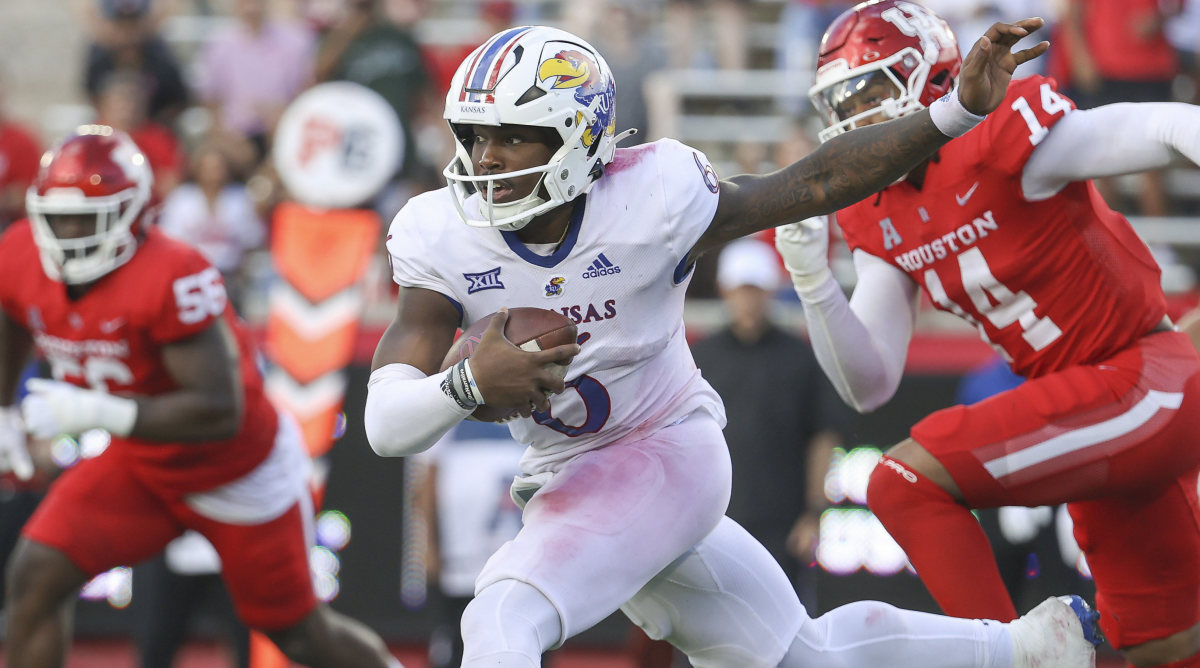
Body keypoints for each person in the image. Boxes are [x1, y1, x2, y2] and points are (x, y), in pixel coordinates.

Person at [363, 22, 1101, 668]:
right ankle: (1030, 649)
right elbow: (384, 424)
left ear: (575, 135)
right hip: (567, 466)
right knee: (801, 654)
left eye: (510, 135)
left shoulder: (651, 194)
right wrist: (462, 388)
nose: (485, 158)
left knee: (500, 616)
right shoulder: (441, 234)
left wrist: (956, 110)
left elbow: (813, 182)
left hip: (661, 447)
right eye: (474, 135)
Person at [773, 1, 1200, 666]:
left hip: (1142, 380)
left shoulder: (1001, 137)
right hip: (1089, 417)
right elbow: (870, 385)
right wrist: (812, 281)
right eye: (839, 103)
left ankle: (1006, 654)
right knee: (1168, 648)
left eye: (870, 90)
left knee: (900, 482)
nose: (851, 120)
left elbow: (1167, 122)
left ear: (930, 78)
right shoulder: (875, 210)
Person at [0, 126, 400, 668]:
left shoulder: (174, 273)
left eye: (86, 220)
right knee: (37, 573)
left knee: (298, 635)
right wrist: (4, 410)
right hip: (142, 463)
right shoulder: (20, 253)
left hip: (236, 472)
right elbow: (12, 313)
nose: (69, 234)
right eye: (58, 218)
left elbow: (218, 411)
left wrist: (93, 411)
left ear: (135, 214)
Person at [690, 238, 845, 608]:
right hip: (712, 524)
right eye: (741, 290)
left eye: (755, 290)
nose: (748, 299)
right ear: (725, 290)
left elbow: (823, 437)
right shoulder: (698, 357)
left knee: (782, 627)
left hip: (782, 526)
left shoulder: (801, 358)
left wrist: (813, 514)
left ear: (771, 290)